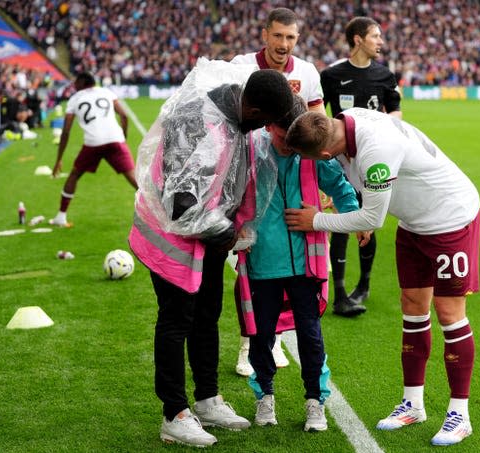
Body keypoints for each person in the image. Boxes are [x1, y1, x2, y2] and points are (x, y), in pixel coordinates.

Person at [284, 108, 480, 447]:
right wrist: (352, 210)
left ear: (326, 154)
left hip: (450, 218)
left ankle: (460, 414)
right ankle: (413, 404)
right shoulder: (347, 121)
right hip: (414, 221)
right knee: (413, 307)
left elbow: (372, 219)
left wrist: (316, 220)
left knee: (449, 314)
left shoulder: (376, 152)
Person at [128, 60, 294, 448]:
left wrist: (231, 228)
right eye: (264, 121)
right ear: (253, 110)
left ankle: (206, 399)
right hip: (171, 236)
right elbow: (182, 206)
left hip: (207, 239)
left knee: (207, 312)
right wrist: (225, 231)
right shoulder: (198, 123)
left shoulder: (236, 110)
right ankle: (174, 413)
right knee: (176, 320)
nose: (262, 130)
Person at [237, 95, 359, 431]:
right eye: (281, 133)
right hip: (261, 260)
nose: (288, 141)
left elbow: (341, 187)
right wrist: (237, 227)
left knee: (310, 334)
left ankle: (314, 401)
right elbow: (229, 194)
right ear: (269, 125)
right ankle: (264, 397)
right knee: (260, 335)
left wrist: (355, 219)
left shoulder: (309, 149)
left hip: (306, 262)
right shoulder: (252, 152)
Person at [230, 6, 325, 377]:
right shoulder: (241, 66)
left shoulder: (307, 73)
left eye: (290, 38)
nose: (283, 44)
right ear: (265, 34)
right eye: (278, 36)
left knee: (289, 268)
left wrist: (322, 182)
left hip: (290, 180)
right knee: (248, 269)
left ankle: (270, 340)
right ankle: (246, 346)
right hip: (248, 180)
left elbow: (317, 124)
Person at [320, 16, 402, 317]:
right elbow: (321, 117)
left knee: (370, 219)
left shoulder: (385, 75)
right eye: (375, 36)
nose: (380, 41)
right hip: (341, 161)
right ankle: (340, 292)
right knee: (343, 220)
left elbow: (396, 114)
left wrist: (376, 132)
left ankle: (364, 284)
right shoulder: (330, 75)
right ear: (358, 39)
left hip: (370, 160)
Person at [49, 72, 137, 227]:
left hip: (93, 142)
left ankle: (61, 216)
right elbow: (124, 115)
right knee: (134, 178)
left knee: (74, 175)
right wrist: (123, 137)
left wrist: (58, 160)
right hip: (115, 140)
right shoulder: (106, 92)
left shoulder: (75, 99)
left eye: (76, 82)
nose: (74, 85)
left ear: (82, 82)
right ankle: (161, 213)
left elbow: (66, 131)